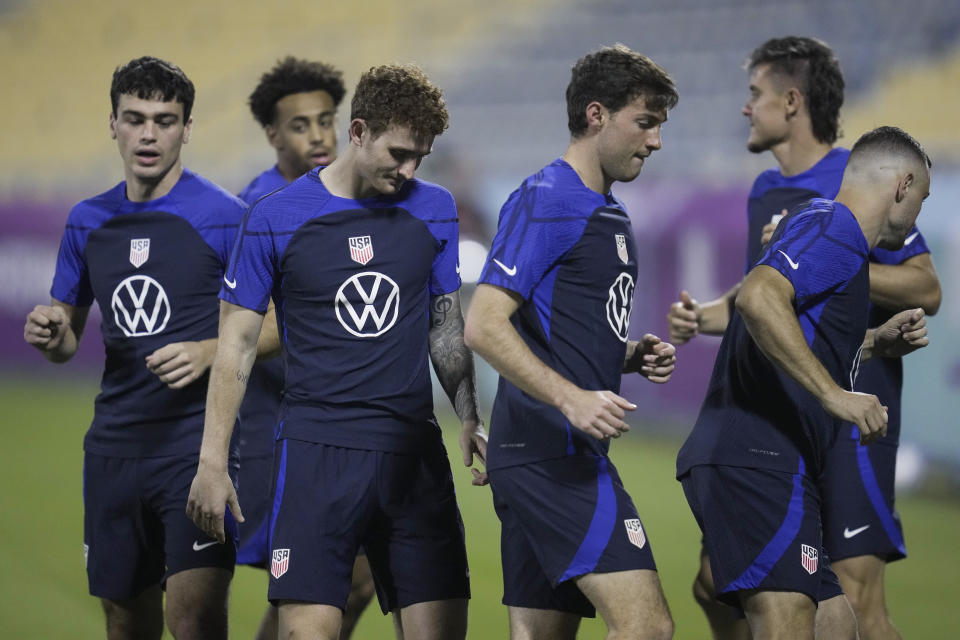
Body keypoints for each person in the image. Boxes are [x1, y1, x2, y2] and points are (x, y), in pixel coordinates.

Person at [187, 63, 486, 640]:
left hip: (413, 453)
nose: (409, 170)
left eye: (421, 157)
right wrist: (211, 461)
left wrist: (469, 412)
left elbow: (444, 324)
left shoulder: (437, 208)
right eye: (398, 153)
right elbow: (238, 347)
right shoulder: (274, 218)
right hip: (315, 452)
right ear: (358, 132)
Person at [667, 37, 941, 640]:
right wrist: (834, 392)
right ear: (901, 185)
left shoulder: (826, 219)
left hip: (804, 436)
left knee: (840, 618)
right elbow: (762, 300)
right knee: (764, 605)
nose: (746, 107)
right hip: (773, 439)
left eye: (754, 94)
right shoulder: (833, 221)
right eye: (919, 199)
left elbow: (920, 290)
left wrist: (866, 342)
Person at [22, 56, 247, 640]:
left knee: (193, 617)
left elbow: (281, 324)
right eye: (135, 118)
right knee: (124, 622)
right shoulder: (85, 221)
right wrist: (52, 333)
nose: (149, 134)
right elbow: (67, 339)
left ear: (188, 129)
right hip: (115, 451)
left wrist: (207, 350)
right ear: (113, 124)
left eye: (165, 120)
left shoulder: (226, 218)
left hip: (196, 451)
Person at [464, 44, 679, 640]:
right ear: (595, 115)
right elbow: (483, 323)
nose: (656, 140)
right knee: (647, 627)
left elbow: (561, 327)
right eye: (645, 122)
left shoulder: (602, 209)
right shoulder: (548, 198)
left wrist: (626, 355)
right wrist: (571, 399)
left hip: (551, 453)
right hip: (551, 457)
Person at [237, 56, 377, 640]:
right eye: (301, 125)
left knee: (350, 580)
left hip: (348, 421)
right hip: (281, 424)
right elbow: (244, 330)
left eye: (326, 120)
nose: (318, 135)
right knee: (327, 582)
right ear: (273, 134)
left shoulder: (354, 193)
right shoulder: (259, 209)